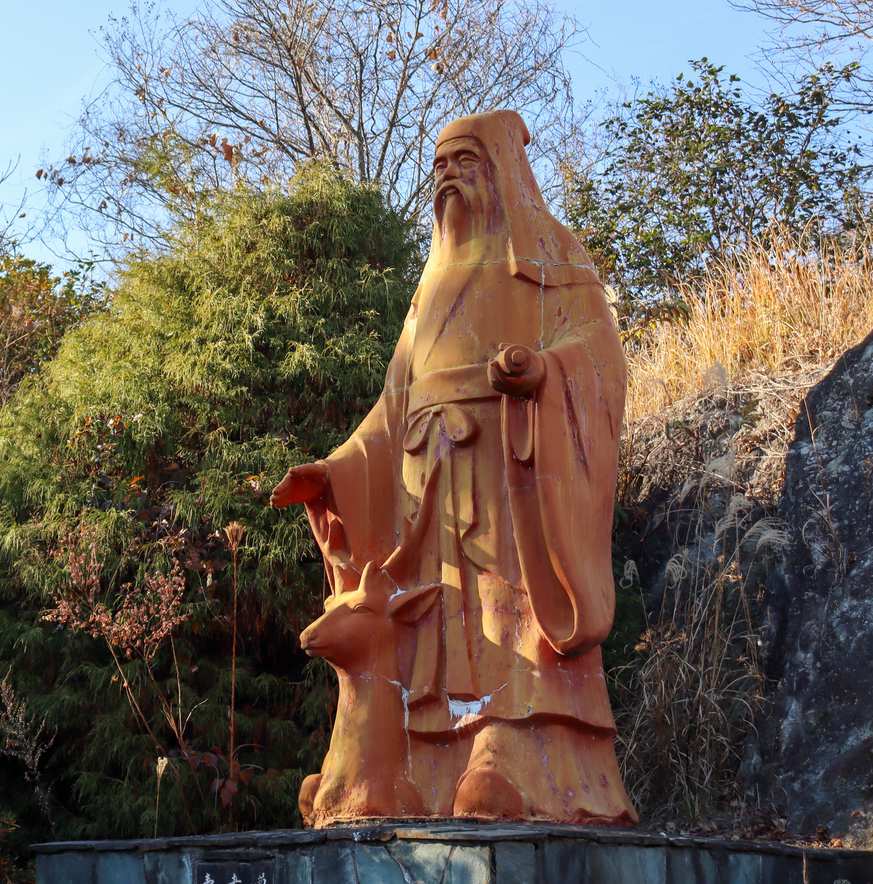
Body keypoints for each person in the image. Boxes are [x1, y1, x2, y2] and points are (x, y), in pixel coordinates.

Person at [272, 110, 637, 825]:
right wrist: (337, 468)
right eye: (438, 165)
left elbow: (600, 355)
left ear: (501, 168)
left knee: (509, 606)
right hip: (426, 478)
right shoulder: (430, 282)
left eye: (464, 161)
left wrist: (544, 372)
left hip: (511, 456)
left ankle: (513, 752)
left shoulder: (550, 251)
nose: (447, 176)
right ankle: (423, 766)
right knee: (439, 625)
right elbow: (394, 403)